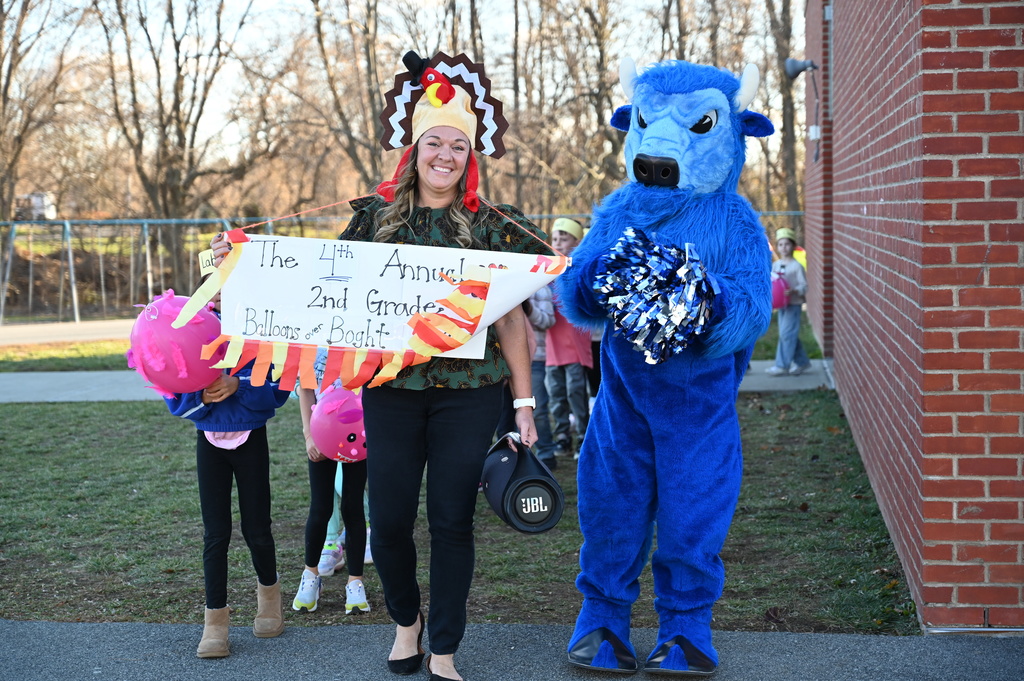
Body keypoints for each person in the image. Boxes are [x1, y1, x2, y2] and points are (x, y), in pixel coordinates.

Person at [337, 51, 548, 681]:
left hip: (470, 393)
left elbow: (513, 320)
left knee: (452, 518)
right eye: (435, 143)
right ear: (415, 149)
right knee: (392, 517)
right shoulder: (374, 220)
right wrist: (238, 255)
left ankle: (446, 646)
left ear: (470, 155)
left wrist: (524, 404)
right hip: (392, 388)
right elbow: (329, 291)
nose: (446, 156)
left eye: (458, 145)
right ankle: (408, 622)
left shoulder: (492, 227)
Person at [162, 293, 291, 659]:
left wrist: (240, 385)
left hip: (251, 439)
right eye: (212, 285)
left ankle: (269, 598)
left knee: (257, 529)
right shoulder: (191, 329)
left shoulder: (260, 325)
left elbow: (278, 389)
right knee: (215, 533)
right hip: (210, 440)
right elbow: (175, 385)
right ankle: (215, 620)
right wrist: (198, 393)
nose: (219, 292)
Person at [292, 348, 370, 616]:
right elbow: (305, 386)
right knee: (321, 507)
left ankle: (355, 582)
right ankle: (310, 577)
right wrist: (308, 435)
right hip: (321, 434)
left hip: (358, 439)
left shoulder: (366, 340)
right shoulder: (316, 342)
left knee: (353, 507)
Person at [545, 218, 593, 457]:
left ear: (577, 241)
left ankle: (583, 434)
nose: (558, 243)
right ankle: (562, 436)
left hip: (574, 342)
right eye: (555, 239)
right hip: (552, 345)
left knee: (576, 390)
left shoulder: (580, 266)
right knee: (556, 393)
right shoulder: (547, 268)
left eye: (564, 239)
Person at [494, 287, 557, 468]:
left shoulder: (540, 289)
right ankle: (507, 461)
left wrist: (528, 309)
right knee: (504, 414)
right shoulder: (506, 285)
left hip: (534, 360)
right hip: (503, 364)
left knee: (537, 411)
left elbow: (546, 323)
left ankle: (545, 455)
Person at [765, 227, 811, 376]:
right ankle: (803, 362)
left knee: (786, 334)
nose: (783, 248)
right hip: (782, 306)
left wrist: (794, 290)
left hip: (794, 305)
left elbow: (804, 286)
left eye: (787, 244)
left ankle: (782, 366)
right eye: (780, 244)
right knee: (788, 334)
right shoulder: (776, 265)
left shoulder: (796, 266)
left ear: (793, 246)